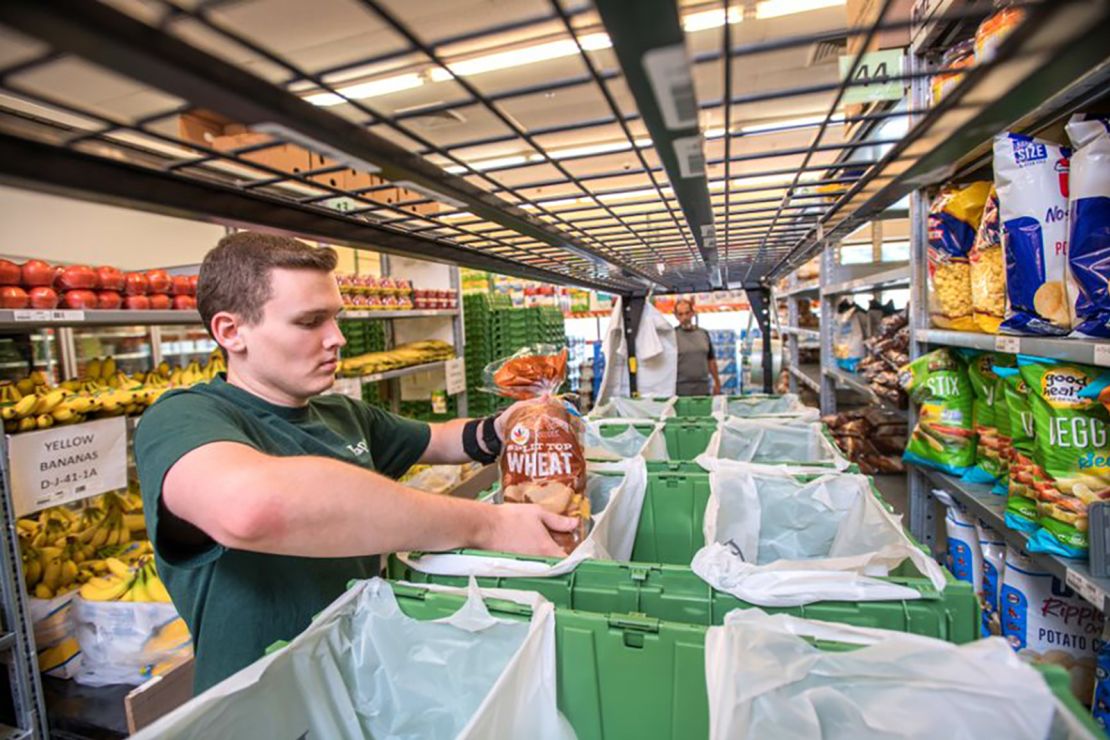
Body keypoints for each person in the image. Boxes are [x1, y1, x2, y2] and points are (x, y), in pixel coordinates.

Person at [134, 232, 578, 693]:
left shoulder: (341, 413)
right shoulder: (183, 418)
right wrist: (487, 525)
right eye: (310, 322)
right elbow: (251, 509)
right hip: (265, 706)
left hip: (362, 680)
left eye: (336, 318)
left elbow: (439, 439)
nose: (337, 339)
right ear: (231, 331)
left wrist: (505, 427)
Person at [673, 299, 721, 396]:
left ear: (693, 313)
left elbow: (711, 360)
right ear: (676, 316)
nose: (685, 317)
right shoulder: (672, 336)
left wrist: (717, 382)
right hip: (680, 389)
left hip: (703, 387)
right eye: (680, 314)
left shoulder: (703, 334)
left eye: (687, 313)